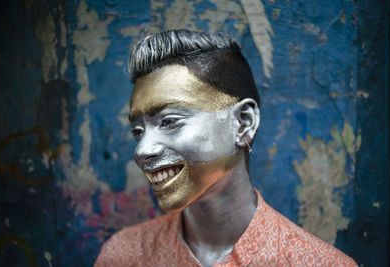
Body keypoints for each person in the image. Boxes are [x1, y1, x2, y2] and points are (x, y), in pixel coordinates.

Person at [94, 29, 356, 267]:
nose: (142, 151)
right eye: (138, 131)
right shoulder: (123, 256)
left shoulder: (317, 263)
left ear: (243, 122)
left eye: (169, 121)